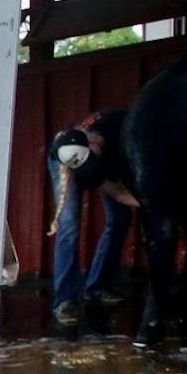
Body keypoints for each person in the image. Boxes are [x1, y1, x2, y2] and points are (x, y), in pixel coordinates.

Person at [46, 107, 138, 329]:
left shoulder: (121, 124)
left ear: (96, 142)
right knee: (69, 226)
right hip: (66, 163)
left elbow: (119, 192)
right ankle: (65, 301)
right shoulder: (71, 157)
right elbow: (116, 192)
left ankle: (97, 287)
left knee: (120, 219)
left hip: (102, 154)